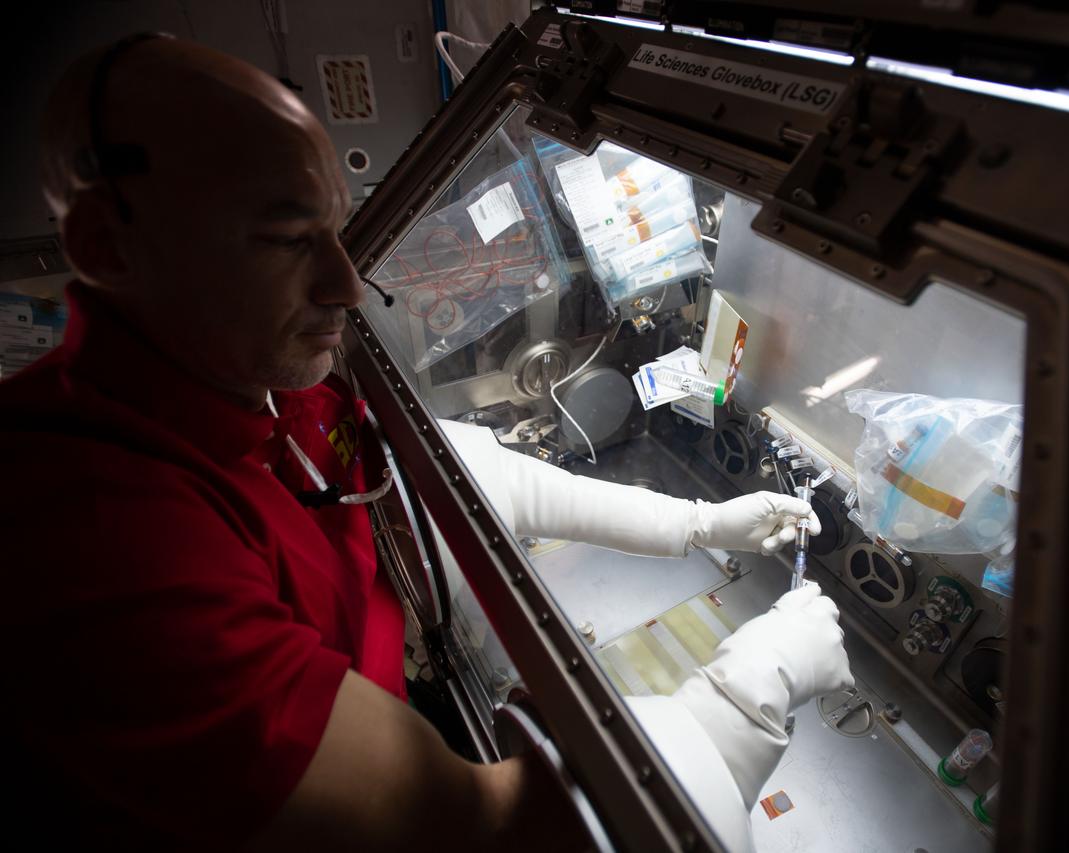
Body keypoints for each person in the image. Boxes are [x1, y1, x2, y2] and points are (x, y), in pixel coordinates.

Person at [0, 34, 852, 850]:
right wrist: (751, 696)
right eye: (289, 239)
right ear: (107, 247)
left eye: (337, 228)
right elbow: (499, 832)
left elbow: (464, 481)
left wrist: (699, 526)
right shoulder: (92, 547)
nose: (346, 283)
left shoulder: (244, 372)